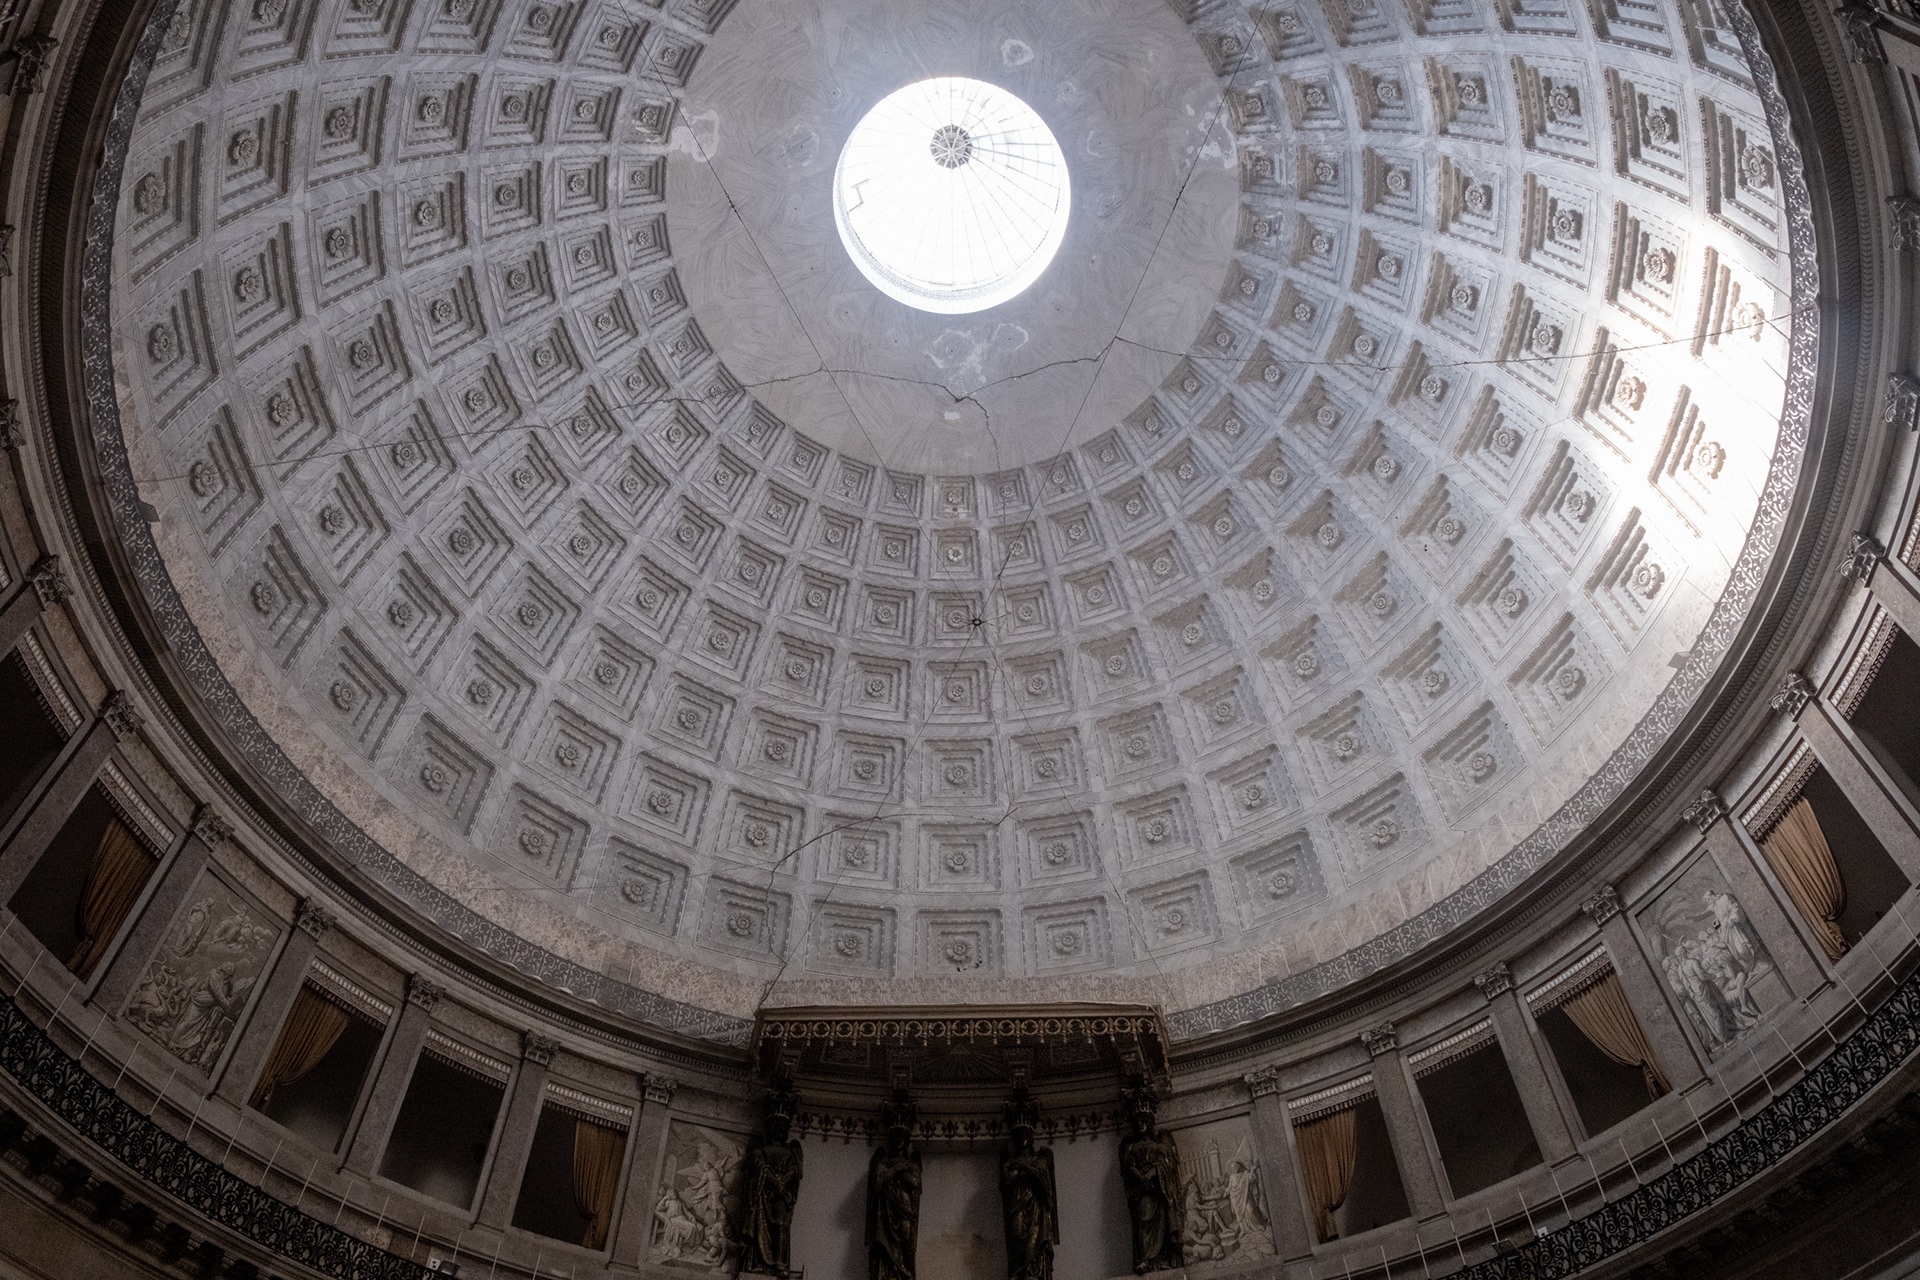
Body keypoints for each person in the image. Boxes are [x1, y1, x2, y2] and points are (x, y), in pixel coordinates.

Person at [1119, 1093, 1185, 1274]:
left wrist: (1152, 1173)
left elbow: (1167, 1167)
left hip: (1158, 1190)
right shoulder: (1131, 1146)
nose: (1140, 1124)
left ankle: (1161, 1258)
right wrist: (1141, 1178)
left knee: (1161, 1223)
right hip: (1141, 1192)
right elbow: (1127, 1168)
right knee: (1142, 1222)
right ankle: (1146, 1259)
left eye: (1143, 1120)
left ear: (1149, 1122)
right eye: (1137, 1121)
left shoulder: (1161, 1145)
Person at [741, 1106, 804, 1276]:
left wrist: (782, 1185)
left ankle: (780, 1263)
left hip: (780, 1195)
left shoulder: (790, 1151)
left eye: (784, 1127)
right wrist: (778, 1184)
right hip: (763, 1193)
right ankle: (757, 1261)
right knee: (759, 1225)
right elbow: (761, 1167)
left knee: (781, 1225)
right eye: (777, 1126)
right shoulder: (760, 1150)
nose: (781, 1130)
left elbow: (794, 1171)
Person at [868, 1096, 922, 1280]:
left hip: (905, 1208)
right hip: (885, 1208)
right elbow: (877, 1183)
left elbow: (914, 1183)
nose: (899, 1140)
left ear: (906, 1140)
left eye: (902, 1137)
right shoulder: (883, 1161)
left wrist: (895, 1170)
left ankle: (904, 1274)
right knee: (883, 1244)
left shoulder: (911, 1164)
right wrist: (899, 1169)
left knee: (906, 1241)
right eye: (896, 1136)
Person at [999, 1122, 1057, 1280]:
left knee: (1036, 1239)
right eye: (1017, 1137)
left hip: (1035, 1204)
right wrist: (1024, 1172)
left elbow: (1043, 1180)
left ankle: (1033, 1271)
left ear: (1030, 1139)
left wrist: (1022, 1169)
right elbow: (1006, 1181)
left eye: (1024, 1136)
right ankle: (1018, 1272)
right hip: (1016, 1203)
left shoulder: (1038, 1161)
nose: (1021, 1140)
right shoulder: (1009, 1163)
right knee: (1017, 1234)